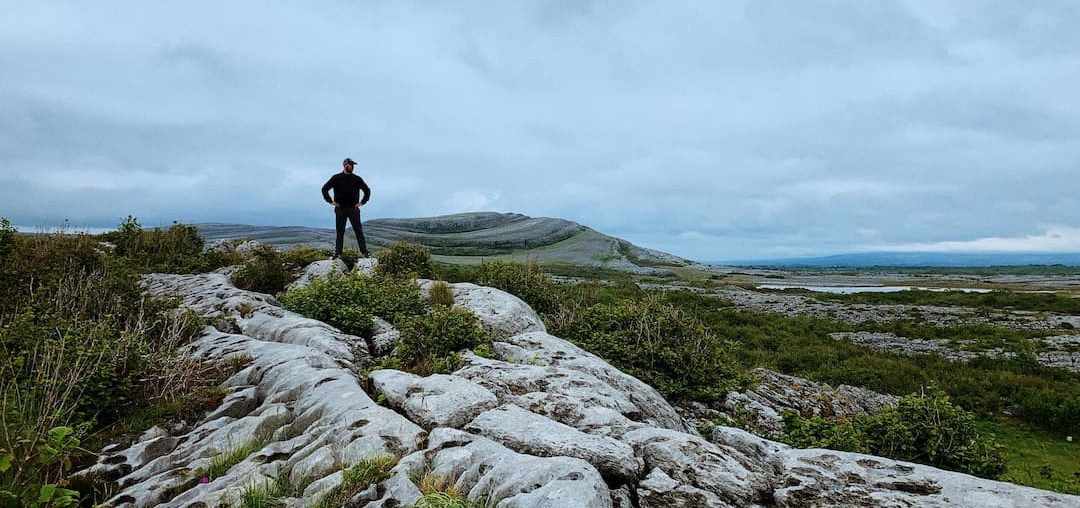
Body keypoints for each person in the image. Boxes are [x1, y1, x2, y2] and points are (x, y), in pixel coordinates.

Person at [322, 157, 371, 258]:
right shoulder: (336, 178)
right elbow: (324, 189)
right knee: (340, 231)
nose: (352, 167)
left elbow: (367, 190)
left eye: (353, 165)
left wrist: (362, 202)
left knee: (358, 231)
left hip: (353, 208)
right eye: (350, 165)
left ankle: (365, 253)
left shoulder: (357, 179)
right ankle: (338, 253)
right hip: (340, 209)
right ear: (344, 165)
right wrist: (330, 201)